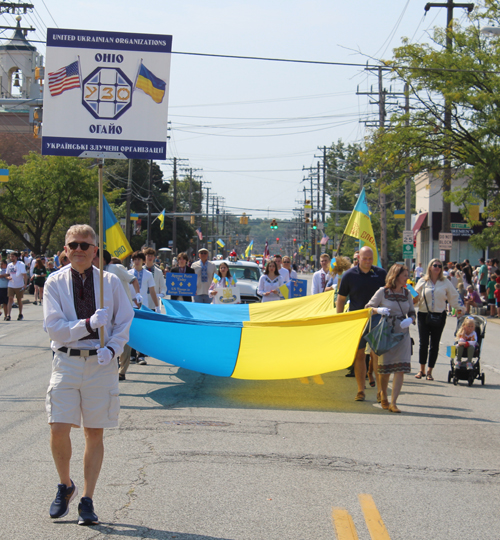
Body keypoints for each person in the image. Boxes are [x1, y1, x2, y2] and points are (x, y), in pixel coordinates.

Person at [43, 224, 134, 526]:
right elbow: (55, 329)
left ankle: (87, 500)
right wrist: (88, 324)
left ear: (96, 251)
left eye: (85, 245)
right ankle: (65, 484)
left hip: (100, 363)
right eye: (73, 245)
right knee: (58, 427)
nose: (79, 250)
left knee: (94, 432)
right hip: (66, 363)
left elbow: (124, 321)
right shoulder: (53, 283)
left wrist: (112, 347)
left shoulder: (109, 282)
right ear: (65, 250)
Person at [336, 246, 387, 401]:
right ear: (358, 258)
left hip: (377, 319)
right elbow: (341, 299)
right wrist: (340, 320)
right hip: (357, 320)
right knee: (359, 355)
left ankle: (380, 392)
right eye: (364, 259)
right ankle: (360, 390)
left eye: (370, 259)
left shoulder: (381, 274)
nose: (367, 262)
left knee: (377, 356)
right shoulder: (349, 275)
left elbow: (391, 292)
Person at [365, 264, 415, 413]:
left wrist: (411, 319)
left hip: (402, 333)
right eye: (405, 275)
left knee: (400, 369)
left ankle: (394, 402)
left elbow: (412, 311)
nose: (407, 278)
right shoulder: (383, 291)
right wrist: (377, 310)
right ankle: (383, 394)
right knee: (385, 368)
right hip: (386, 331)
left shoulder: (407, 293)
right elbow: (367, 307)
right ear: (396, 276)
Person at [93, 250, 141, 381]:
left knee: (124, 340)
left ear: (103, 259)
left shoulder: (115, 268)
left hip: (121, 310)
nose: (92, 260)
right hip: (106, 312)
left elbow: (133, 279)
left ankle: (122, 369)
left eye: (95, 257)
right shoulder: (93, 273)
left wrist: (137, 294)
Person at [414, 258, 463, 381]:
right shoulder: (422, 281)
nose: (437, 267)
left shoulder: (445, 282)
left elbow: (453, 296)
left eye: (439, 266)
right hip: (423, 315)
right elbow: (414, 297)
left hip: (439, 316)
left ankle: (430, 371)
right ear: (430, 267)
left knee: (434, 344)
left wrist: (460, 309)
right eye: (435, 265)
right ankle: (422, 370)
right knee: (423, 343)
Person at [128, 251, 160, 365]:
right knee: (132, 330)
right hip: (130, 306)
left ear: (143, 261)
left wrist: (157, 306)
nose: (136, 262)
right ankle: (131, 354)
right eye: (134, 259)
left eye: (139, 259)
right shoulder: (128, 273)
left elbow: (152, 291)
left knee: (142, 331)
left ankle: (141, 355)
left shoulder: (148, 274)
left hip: (144, 306)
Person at [5, 251, 28, 321]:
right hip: (11, 285)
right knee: (10, 299)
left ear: (16, 257)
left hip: (19, 285)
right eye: (10, 256)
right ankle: (8, 315)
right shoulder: (9, 265)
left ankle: (20, 313)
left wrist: (25, 284)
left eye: (13, 256)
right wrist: (8, 278)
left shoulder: (20, 264)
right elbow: (7, 274)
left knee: (19, 300)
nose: (11, 258)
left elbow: (24, 275)